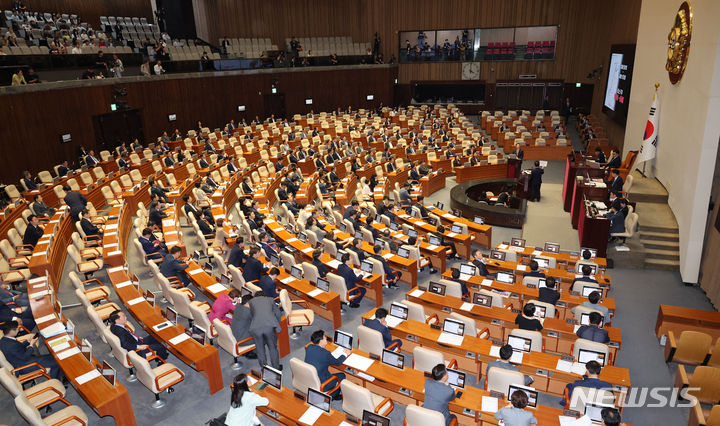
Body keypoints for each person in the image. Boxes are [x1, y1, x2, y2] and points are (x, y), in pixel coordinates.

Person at [304, 330, 350, 399]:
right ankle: (333, 395)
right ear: (321, 341)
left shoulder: (309, 347)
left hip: (311, 380)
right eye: (325, 337)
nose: (326, 339)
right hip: (323, 383)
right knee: (342, 375)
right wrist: (345, 354)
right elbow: (338, 362)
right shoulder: (325, 353)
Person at [248, 290, 282, 370]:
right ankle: (276, 367)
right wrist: (276, 323)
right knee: (272, 348)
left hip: (255, 328)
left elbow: (253, 315)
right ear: (264, 296)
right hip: (269, 326)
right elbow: (278, 313)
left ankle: (264, 368)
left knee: (260, 349)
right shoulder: (270, 299)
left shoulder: (251, 302)